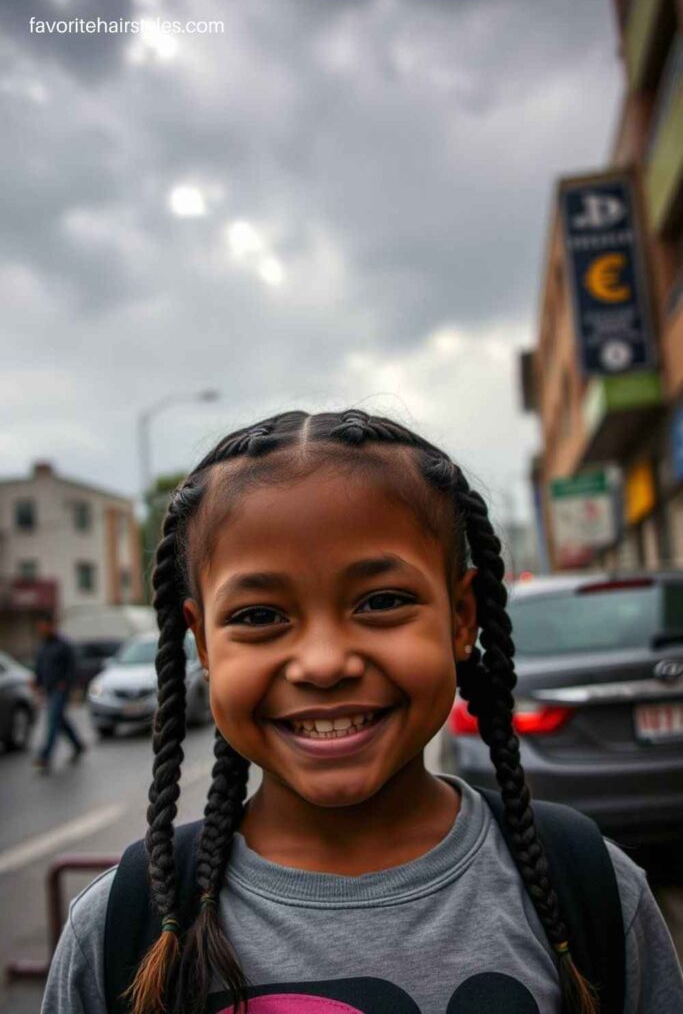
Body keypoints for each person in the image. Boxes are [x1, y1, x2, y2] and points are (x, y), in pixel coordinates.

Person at [42, 410, 682, 1014]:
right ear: (204, 642)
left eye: (381, 602)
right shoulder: (128, 924)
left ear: (462, 619)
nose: (323, 663)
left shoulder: (588, 887)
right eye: (259, 616)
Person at [34, 613, 85, 773]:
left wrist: (67, 683)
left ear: (51, 626)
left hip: (60, 689)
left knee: (53, 721)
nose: (41, 630)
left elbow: (73, 667)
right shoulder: (42, 647)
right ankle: (78, 745)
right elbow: (40, 668)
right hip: (49, 689)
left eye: (44, 626)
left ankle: (44, 756)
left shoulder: (63, 645)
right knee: (60, 721)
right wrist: (38, 684)